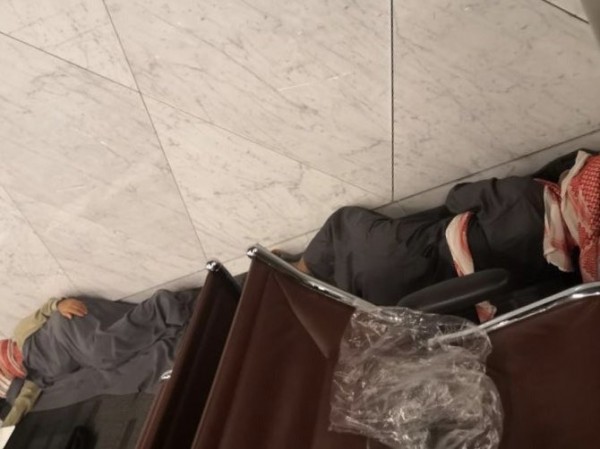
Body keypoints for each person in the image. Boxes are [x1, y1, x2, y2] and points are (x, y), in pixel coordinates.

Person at [279, 149, 600, 321]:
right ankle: (309, 276)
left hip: (414, 270)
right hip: (417, 287)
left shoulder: (520, 196)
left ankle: (302, 271)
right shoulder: (572, 262)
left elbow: (459, 198)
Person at [0, 290, 196, 426]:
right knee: (111, 372)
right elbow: (19, 407)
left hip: (67, 325)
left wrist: (58, 305)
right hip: (78, 353)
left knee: (102, 354)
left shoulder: (20, 335)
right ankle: (174, 352)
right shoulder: (33, 381)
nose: (7, 370)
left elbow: (42, 313)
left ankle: (166, 308)